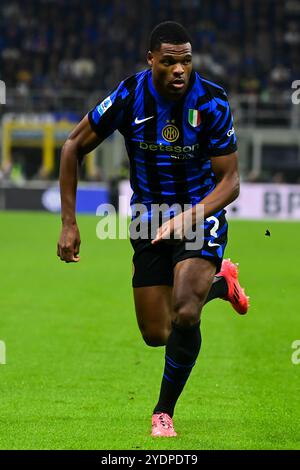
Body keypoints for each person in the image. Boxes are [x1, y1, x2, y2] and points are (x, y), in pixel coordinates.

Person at [57, 21, 249, 437]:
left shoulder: (212, 102)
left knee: (184, 310)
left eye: (186, 60)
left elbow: (230, 182)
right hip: (148, 219)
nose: (180, 69)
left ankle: (164, 411)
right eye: (169, 62)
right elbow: (72, 146)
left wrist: (189, 216)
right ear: (151, 61)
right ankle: (222, 284)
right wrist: (69, 222)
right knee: (156, 333)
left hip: (201, 216)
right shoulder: (130, 95)